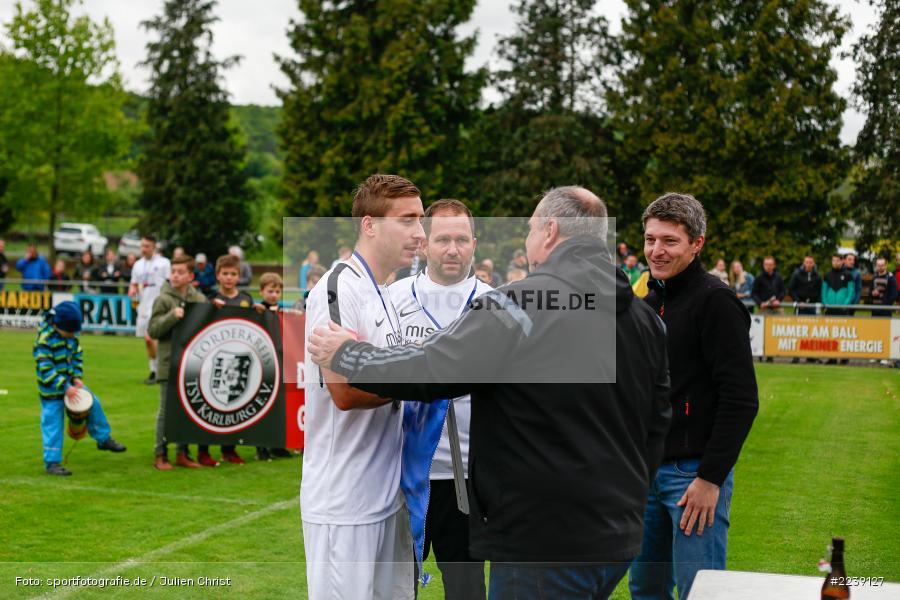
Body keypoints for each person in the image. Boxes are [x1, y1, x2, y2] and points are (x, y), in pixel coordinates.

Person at [308, 186, 672, 600]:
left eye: (531, 228)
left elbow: (435, 369)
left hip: (539, 540)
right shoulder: (645, 320)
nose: (527, 238)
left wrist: (350, 356)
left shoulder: (519, 306)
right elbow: (658, 422)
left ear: (550, 231)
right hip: (616, 536)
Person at [629, 192, 758, 600]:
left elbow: (740, 398)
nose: (656, 250)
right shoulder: (648, 303)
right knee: (645, 589)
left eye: (669, 240)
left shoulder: (716, 301)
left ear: (696, 244)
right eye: (650, 239)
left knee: (698, 591)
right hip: (645, 473)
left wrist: (710, 477)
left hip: (693, 477)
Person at [301, 174, 424, 600]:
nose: (420, 233)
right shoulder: (337, 287)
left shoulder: (387, 293)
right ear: (369, 225)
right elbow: (345, 392)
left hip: (389, 495)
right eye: (407, 220)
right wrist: (422, 380)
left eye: (420, 220)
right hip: (345, 502)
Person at [389, 199, 491, 599]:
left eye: (461, 239)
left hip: (468, 479)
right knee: (397, 587)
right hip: (403, 474)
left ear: (474, 244)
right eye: (443, 239)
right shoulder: (393, 299)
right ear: (424, 244)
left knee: (466, 588)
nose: (453, 249)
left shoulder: (496, 302)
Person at [34, 301, 127, 476]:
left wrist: (77, 376)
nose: (72, 336)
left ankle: (103, 438)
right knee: (52, 425)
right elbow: (46, 369)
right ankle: (52, 462)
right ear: (58, 325)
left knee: (94, 404)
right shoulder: (44, 341)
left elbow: (77, 355)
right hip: (51, 393)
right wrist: (65, 386)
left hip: (71, 385)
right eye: (69, 332)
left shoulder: (71, 337)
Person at [195, 253, 263, 467]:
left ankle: (229, 449)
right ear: (217, 276)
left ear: (239, 276)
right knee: (209, 406)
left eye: (233, 274)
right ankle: (203, 450)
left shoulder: (245, 298)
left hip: (238, 360)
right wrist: (208, 309)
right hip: (213, 361)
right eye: (225, 273)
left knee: (234, 403)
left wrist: (258, 312)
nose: (229, 278)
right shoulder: (210, 299)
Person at [148, 254, 206, 470]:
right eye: (173, 271)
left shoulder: (198, 299)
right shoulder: (163, 299)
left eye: (180, 272)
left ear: (190, 276)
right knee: (166, 410)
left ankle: (183, 452)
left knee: (187, 409)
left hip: (190, 365)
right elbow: (153, 330)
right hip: (167, 363)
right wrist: (172, 316)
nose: (175, 276)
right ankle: (160, 454)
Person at [255, 272, 294, 461]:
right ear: (261, 291)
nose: (274, 295)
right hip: (262, 365)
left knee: (280, 406)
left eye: (278, 291)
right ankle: (261, 446)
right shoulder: (257, 311)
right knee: (262, 404)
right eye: (270, 291)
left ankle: (277, 445)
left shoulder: (281, 312)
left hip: (280, 363)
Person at [129, 236, 170, 384]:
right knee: (147, 341)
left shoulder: (164, 263)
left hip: (158, 305)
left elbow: (170, 282)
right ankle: (154, 370)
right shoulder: (138, 265)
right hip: (143, 305)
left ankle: (159, 370)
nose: (143, 249)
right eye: (142, 246)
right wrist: (132, 290)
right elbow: (133, 283)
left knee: (152, 338)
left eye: (147, 246)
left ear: (154, 247)